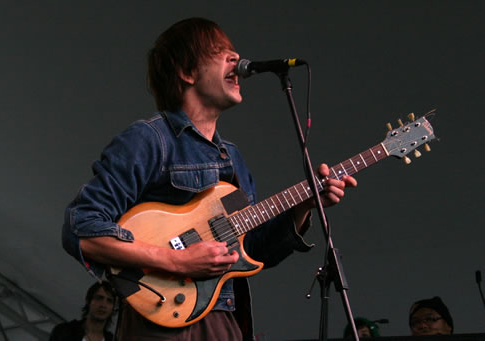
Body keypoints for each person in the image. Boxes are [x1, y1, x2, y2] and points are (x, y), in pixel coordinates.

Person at [62, 17, 357, 341]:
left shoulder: (233, 158)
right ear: (187, 72)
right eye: (220, 52)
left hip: (222, 316)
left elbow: (253, 251)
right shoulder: (150, 139)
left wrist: (304, 206)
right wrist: (177, 261)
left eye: (234, 51)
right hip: (162, 319)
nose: (235, 58)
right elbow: (82, 228)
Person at [49, 281, 116, 341]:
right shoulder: (64, 332)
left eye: (109, 301)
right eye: (99, 298)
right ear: (88, 300)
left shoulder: (112, 339)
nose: (103, 305)